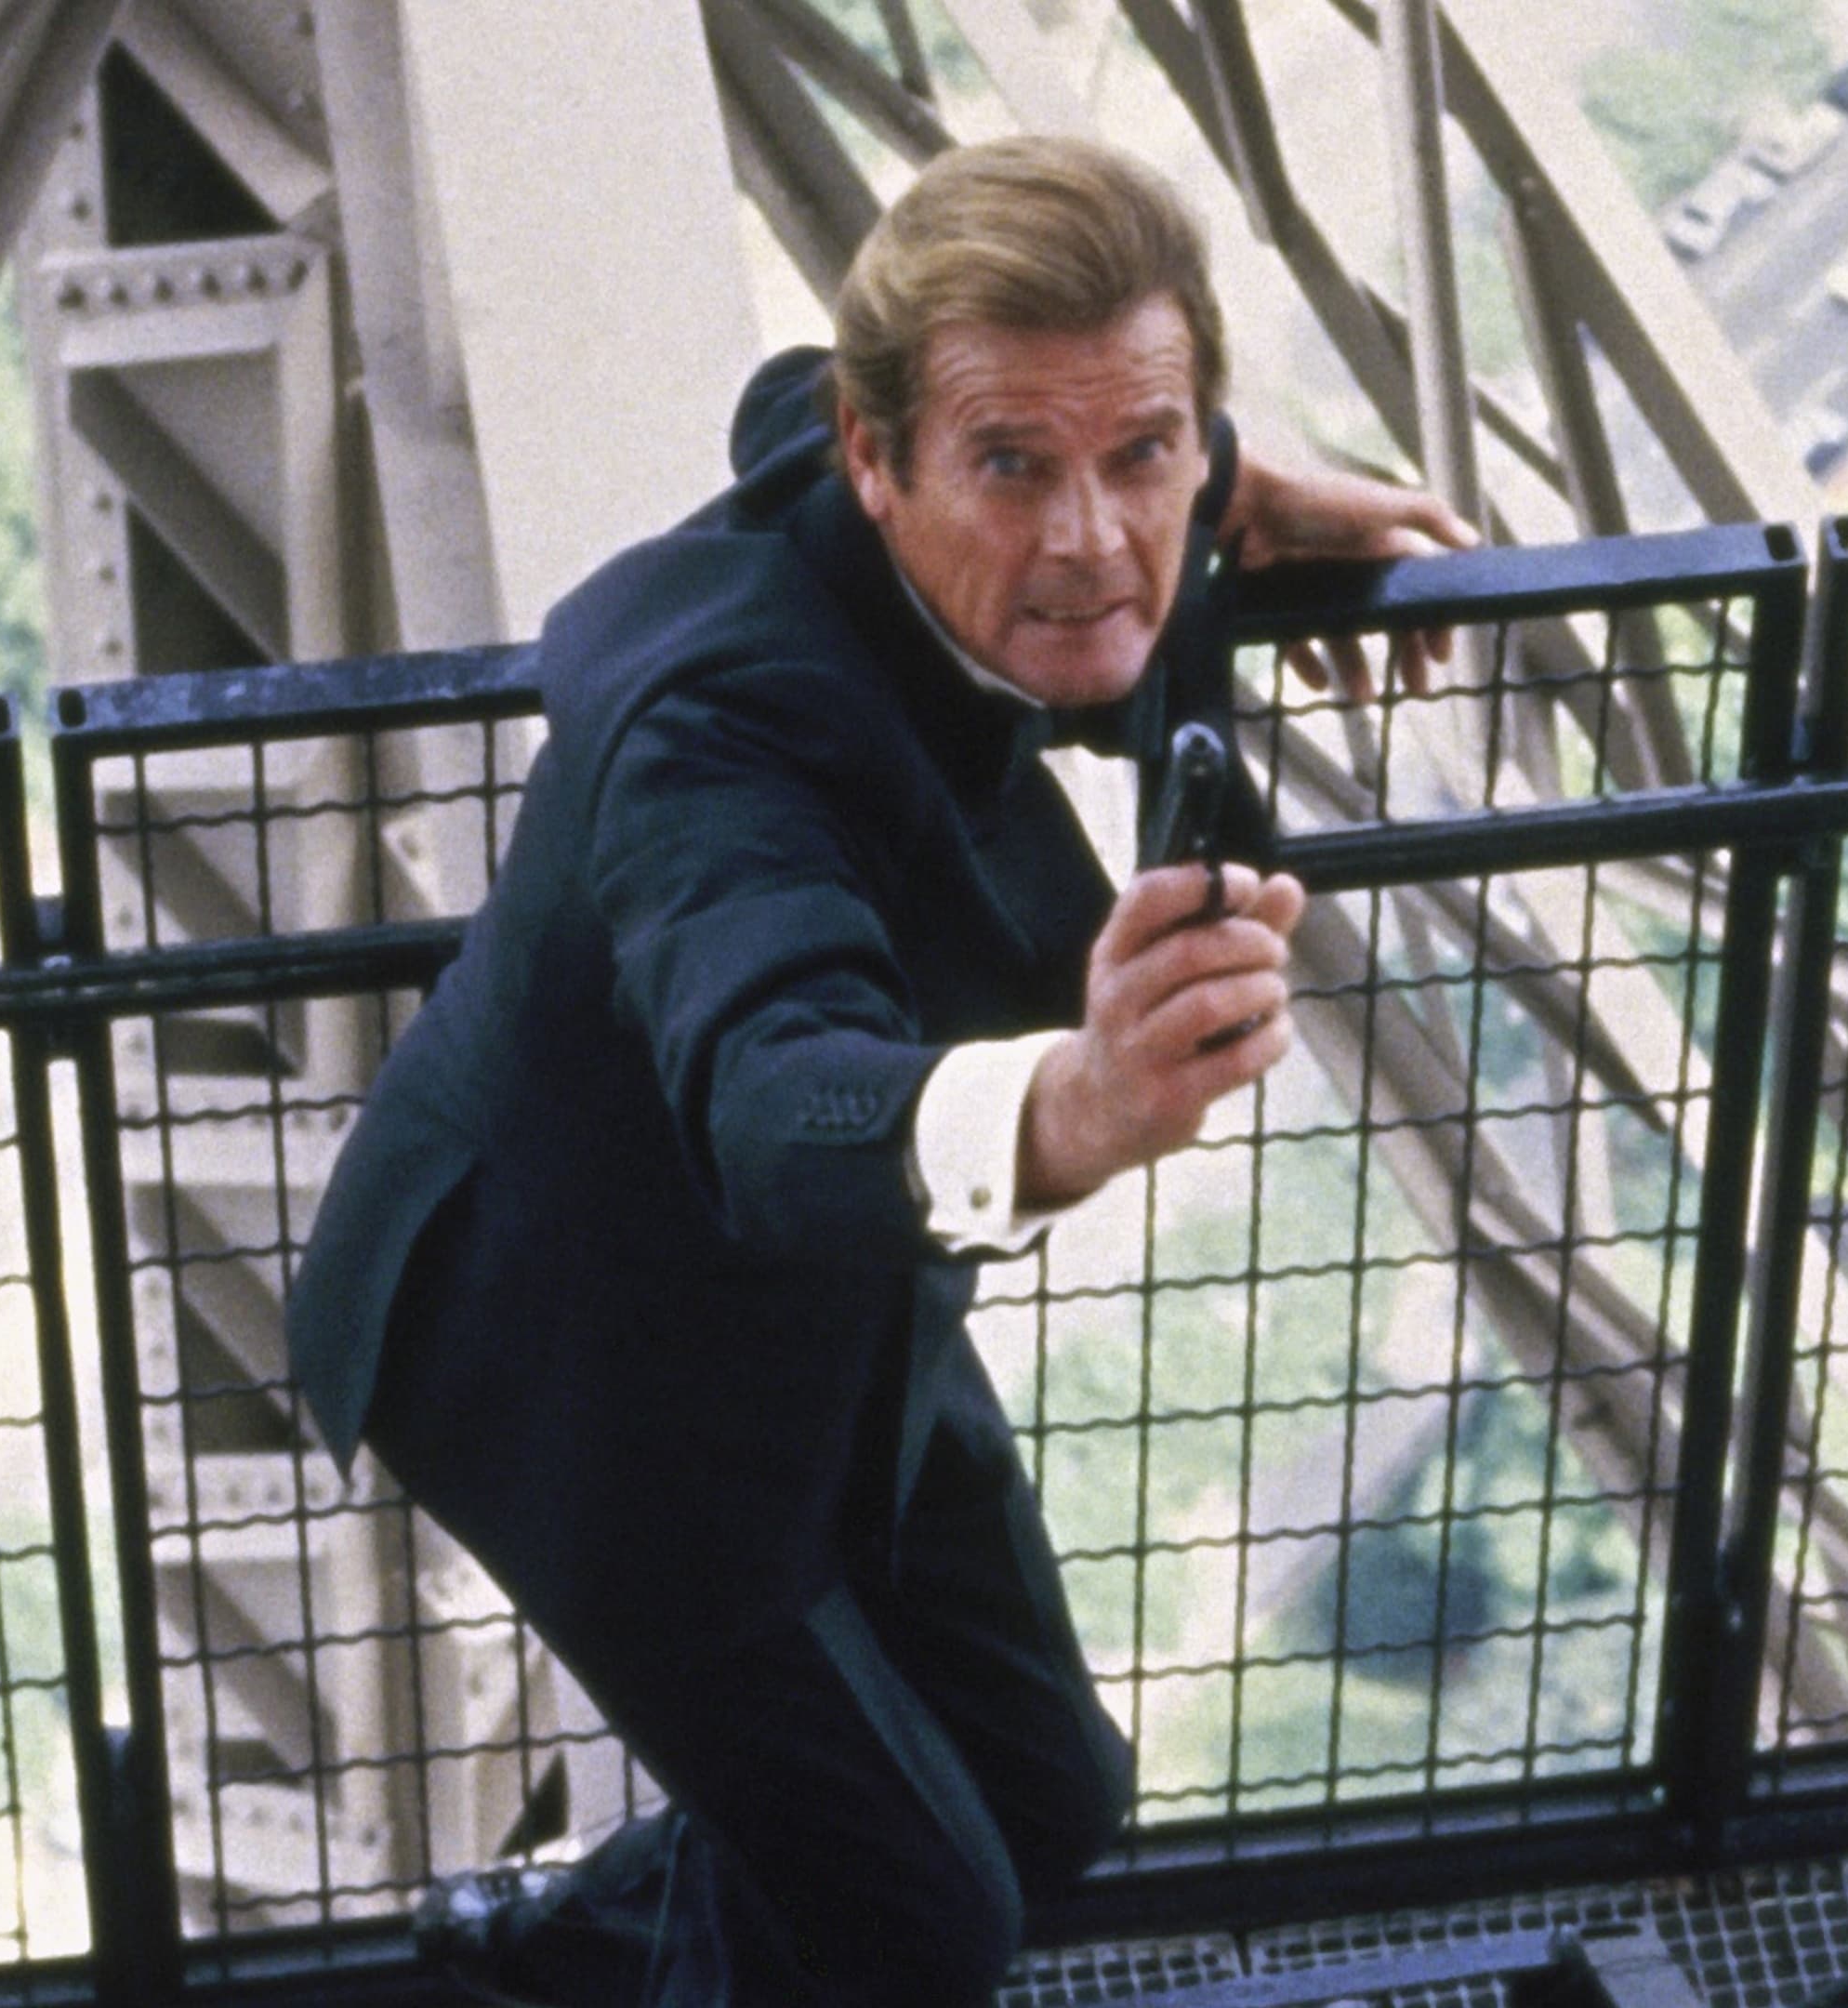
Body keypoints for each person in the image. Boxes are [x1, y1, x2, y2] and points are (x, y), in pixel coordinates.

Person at [283, 134, 1470, 2005]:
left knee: (1049, 1797)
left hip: (828, 1304)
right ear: (878, 458)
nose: (1092, 541)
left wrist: (1239, 490)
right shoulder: (717, 729)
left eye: (1142, 454)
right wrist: (1075, 1106)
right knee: (920, 1923)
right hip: (586, 1359)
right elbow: (775, 1098)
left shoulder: (903, 454)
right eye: (1014, 467)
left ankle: (560, 1953)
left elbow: (842, 394)